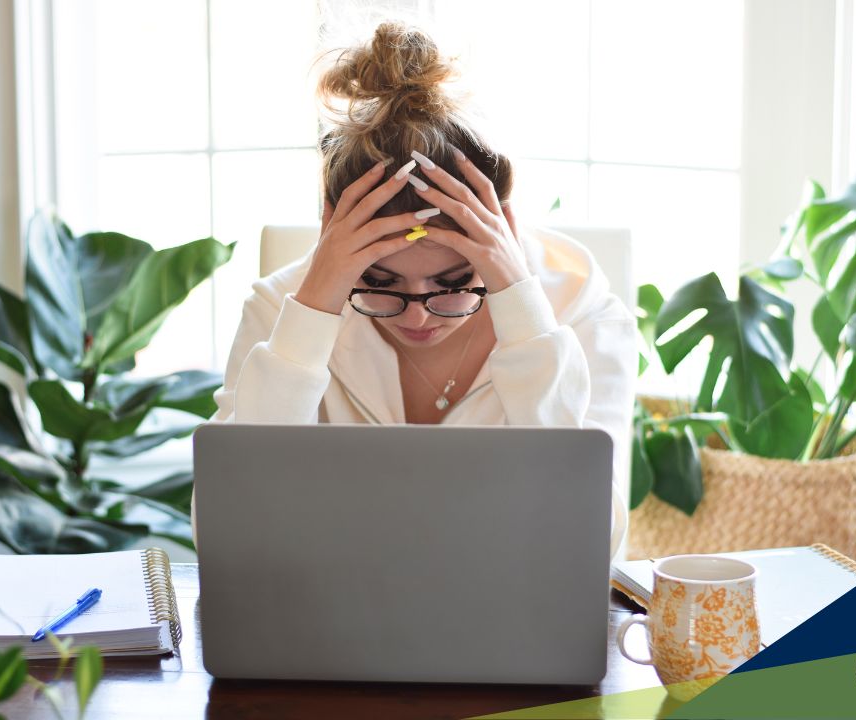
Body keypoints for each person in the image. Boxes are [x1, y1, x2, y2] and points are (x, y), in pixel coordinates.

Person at [198, 21, 637, 559]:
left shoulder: (582, 315)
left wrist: (520, 309)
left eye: (453, 284)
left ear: (504, 236)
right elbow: (224, 537)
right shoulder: (284, 310)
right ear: (333, 240)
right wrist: (313, 314)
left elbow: (596, 546)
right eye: (380, 284)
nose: (419, 318)